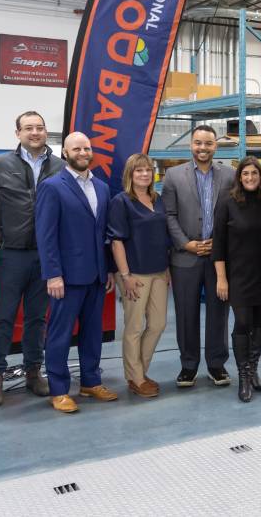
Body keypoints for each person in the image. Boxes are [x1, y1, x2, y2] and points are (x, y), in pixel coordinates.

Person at [0, 111, 65, 407]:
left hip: (45, 257)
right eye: (28, 128)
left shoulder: (60, 166)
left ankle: (33, 370)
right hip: (9, 255)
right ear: (17, 133)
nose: (35, 132)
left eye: (40, 128)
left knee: (36, 317)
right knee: (3, 317)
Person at [35, 132, 117, 413]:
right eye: (76, 148)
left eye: (87, 148)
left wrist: (108, 270)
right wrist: (53, 274)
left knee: (93, 332)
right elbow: (46, 235)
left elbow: (104, 234)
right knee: (59, 334)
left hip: (96, 275)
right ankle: (58, 390)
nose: (83, 152)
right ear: (65, 153)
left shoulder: (103, 188)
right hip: (66, 277)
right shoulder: (52, 187)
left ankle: (91, 382)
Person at [161, 125, 235, 388]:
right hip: (185, 258)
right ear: (191, 145)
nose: (202, 148)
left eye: (208, 144)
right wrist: (186, 244)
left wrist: (220, 244)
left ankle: (217, 365)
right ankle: (188, 366)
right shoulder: (172, 176)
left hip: (218, 259)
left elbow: (233, 215)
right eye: (198, 143)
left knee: (219, 312)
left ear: (216, 146)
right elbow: (168, 215)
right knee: (185, 313)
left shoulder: (229, 175)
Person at [212, 157, 261, 402]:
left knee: (260, 325)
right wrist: (221, 278)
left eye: (254, 173)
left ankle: (252, 371)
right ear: (239, 177)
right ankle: (243, 376)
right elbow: (217, 244)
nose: (250, 178)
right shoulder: (227, 202)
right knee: (242, 323)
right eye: (245, 174)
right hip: (238, 276)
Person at [109, 154, 170, 399]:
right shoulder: (121, 202)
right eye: (139, 171)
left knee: (158, 324)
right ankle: (135, 377)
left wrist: (166, 269)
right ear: (130, 175)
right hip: (134, 274)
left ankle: (139, 372)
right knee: (134, 327)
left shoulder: (158, 199)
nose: (144, 174)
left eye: (148, 170)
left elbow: (163, 237)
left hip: (158, 271)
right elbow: (116, 242)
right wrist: (125, 275)